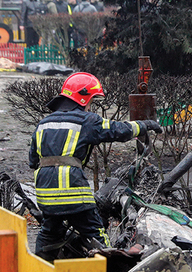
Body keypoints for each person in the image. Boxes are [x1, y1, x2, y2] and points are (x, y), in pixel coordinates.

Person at [29, 72, 162, 262]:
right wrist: (146, 124)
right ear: (83, 98)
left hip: (45, 195)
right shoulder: (86, 121)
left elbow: (33, 161)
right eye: (91, 100)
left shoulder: (43, 124)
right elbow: (119, 130)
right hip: (73, 194)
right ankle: (109, 267)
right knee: (94, 231)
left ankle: (39, 267)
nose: (91, 106)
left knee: (49, 233)